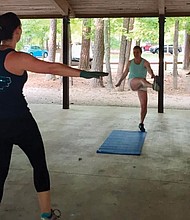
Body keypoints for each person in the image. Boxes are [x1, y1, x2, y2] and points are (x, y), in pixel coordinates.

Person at [0, 12, 108, 220]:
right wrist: (83, 73)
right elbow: (51, 68)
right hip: (21, 123)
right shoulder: (16, 58)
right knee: (39, 165)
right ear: (17, 32)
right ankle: (46, 214)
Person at [115, 45, 160, 132]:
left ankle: (141, 123)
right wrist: (120, 82)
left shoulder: (145, 62)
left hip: (143, 85)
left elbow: (150, 70)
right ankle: (153, 86)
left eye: (137, 52)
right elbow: (125, 73)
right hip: (133, 82)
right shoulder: (130, 62)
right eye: (134, 52)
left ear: (140, 53)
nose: (135, 54)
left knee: (144, 106)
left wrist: (152, 75)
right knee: (141, 79)